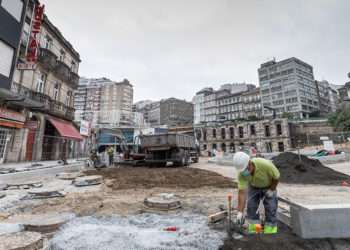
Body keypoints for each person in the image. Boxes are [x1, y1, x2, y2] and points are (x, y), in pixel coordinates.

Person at [233, 151, 280, 234]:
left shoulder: (265, 165)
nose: (244, 172)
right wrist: (240, 212)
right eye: (242, 170)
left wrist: (272, 189)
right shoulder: (241, 174)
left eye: (246, 169)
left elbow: (276, 177)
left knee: (271, 206)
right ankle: (255, 229)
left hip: (269, 185)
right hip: (254, 186)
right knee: (251, 206)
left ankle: (270, 230)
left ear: (250, 162)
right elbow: (242, 193)